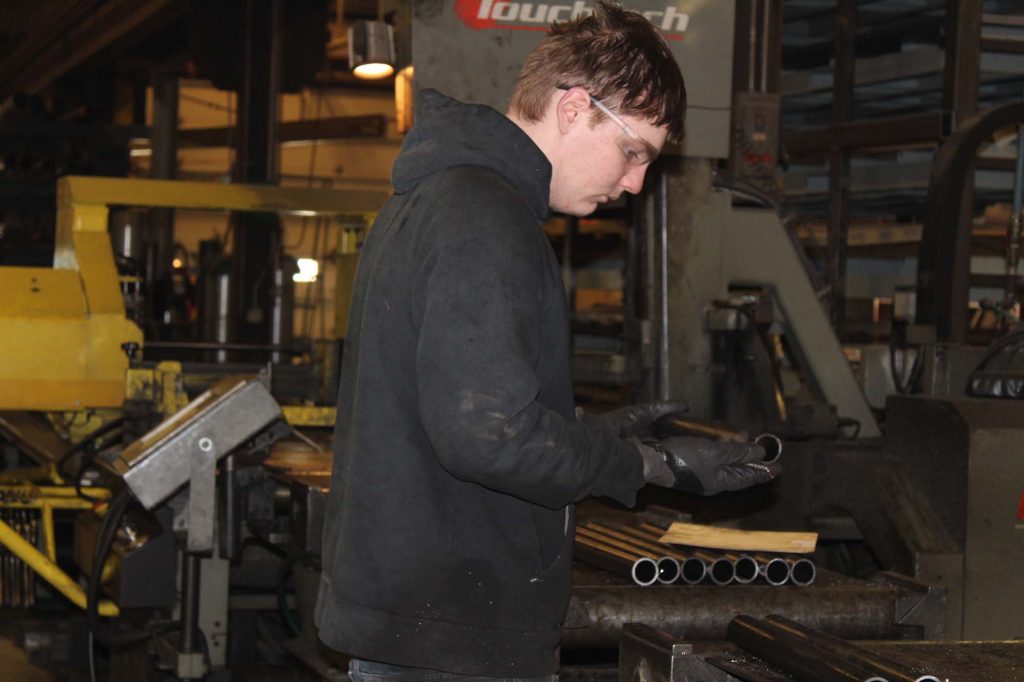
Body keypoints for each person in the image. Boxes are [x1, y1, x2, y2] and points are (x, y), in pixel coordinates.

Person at [315, 3, 779, 679]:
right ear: (574, 108)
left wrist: (601, 431)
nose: (635, 183)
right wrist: (646, 466)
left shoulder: (437, 200)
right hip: (451, 637)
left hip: (425, 622)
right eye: (632, 152)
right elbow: (489, 436)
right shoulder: (485, 219)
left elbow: (458, 406)